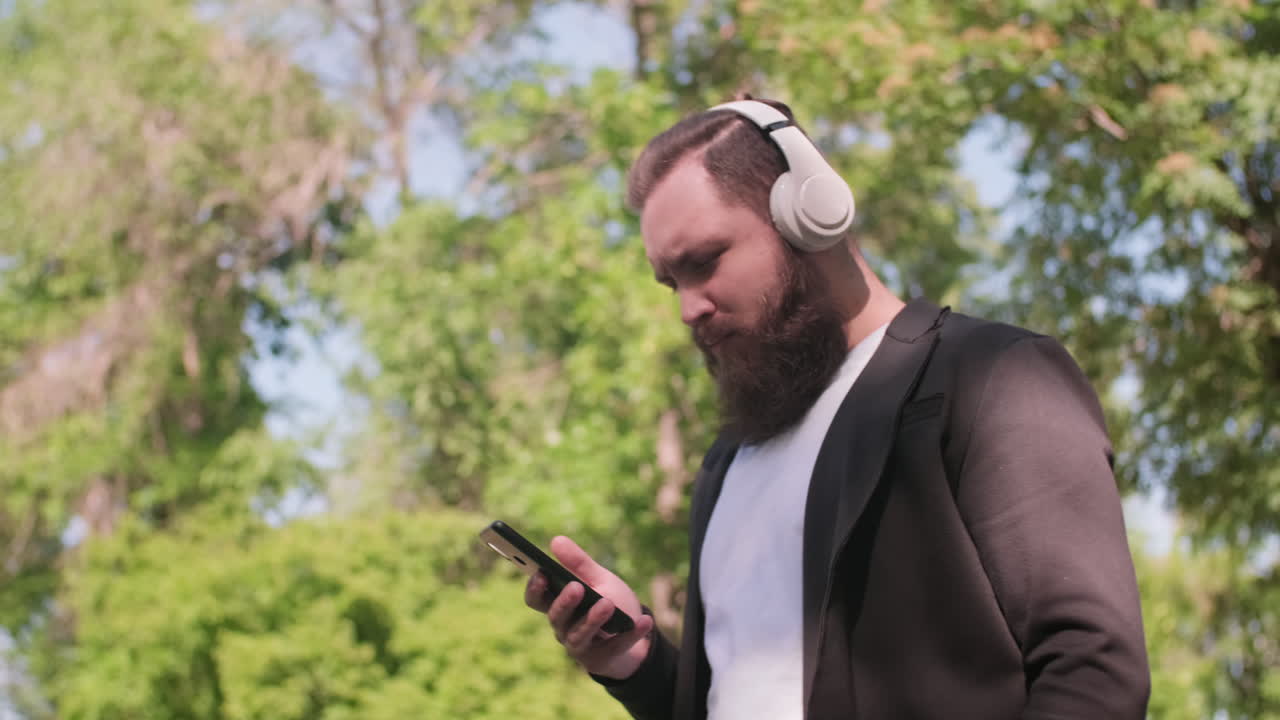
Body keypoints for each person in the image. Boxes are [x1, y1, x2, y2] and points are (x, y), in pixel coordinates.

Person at [522, 96, 1150, 719]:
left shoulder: (992, 376)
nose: (689, 308)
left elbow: (1092, 669)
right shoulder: (726, 463)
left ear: (812, 215)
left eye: (705, 262)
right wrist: (636, 661)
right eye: (671, 283)